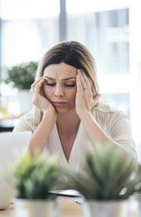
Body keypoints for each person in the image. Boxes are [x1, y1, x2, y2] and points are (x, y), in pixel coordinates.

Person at [13, 40, 137, 170]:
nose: (58, 93)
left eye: (69, 84)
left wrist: (85, 114)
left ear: (89, 84)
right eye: (50, 83)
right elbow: (15, 174)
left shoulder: (112, 118)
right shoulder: (27, 124)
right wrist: (48, 116)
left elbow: (131, 169)